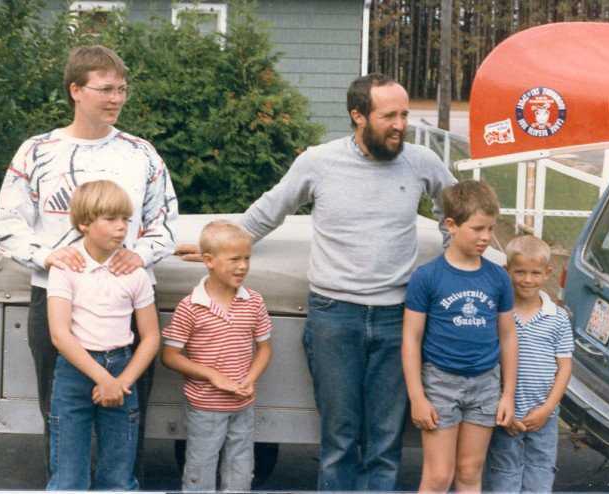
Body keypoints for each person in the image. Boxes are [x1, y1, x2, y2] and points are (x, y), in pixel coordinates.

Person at [177, 73, 456, 490]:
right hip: (333, 316)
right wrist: (215, 248)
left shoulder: (422, 162)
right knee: (339, 439)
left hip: (398, 319)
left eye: (404, 114)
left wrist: (454, 258)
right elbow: (269, 210)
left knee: (384, 441)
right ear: (358, 115)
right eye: (389, 116)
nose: (401, 125)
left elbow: (458, 209)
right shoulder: (319, 162)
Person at [0, 45, 178, 481]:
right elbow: (6, 222)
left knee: (127, 417)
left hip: (127, 301)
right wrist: (46, 255)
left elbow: (165, 222)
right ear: (76, 90)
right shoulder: (36, 151)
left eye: (123, 90)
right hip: (56, 300)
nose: (116, 98)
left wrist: (140, 253)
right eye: (106, 89)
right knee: (60, 415)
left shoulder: (141, 153)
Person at [402, 180, 518, 493]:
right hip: (440, 384)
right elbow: (411, 339)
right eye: (478, 228)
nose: (486, 237)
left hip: (485, 385)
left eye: (491, 228)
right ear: (451, 225)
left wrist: (507, 394)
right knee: (439, 476)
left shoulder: (497, 278)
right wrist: (417, 397)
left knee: (469, 473)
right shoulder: (427, 277)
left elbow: (508, 336)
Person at [45, 180, 161, 490]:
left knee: (118, 476)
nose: (121, 227)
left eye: (125, 219)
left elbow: (150, 337)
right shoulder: (65, 268)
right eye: (110, 219)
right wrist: (103, 379)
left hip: (123, 371)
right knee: (68, 477)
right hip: (75, 370)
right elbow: (60, 334)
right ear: (84, 223)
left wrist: (120, 382)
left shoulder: (134, 272)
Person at [162, 220, 273, 491]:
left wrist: (250, 378)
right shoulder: (190, 307)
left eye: (247, 258)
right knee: (200, 471)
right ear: (209, 260)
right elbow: (170, 356)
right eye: (235, 259)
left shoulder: (254, 301)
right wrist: (213, 376)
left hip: (243, 405)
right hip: (205, 407)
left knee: (241, 472)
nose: (243, 266)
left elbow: (265, 348)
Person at [484, 235, 573, 493]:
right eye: (519, 272)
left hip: (543, 416)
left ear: (547, 273)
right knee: (504, 477)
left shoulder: (557, 317)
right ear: (507, 271)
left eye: (535, 273)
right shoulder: (499, 313)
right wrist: (503, 405)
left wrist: (547, 408)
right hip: (506, 414)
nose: (527, 279)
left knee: (540, 476)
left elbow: (565, 367)